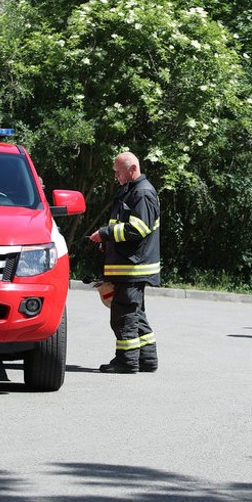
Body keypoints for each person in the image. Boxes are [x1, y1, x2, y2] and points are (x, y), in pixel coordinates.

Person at [89, 152, 160, 374]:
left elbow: (138, 229)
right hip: (129, 266)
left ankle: (126, 361)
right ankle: (147, 359)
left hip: (133, 268)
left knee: (124, 316)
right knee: (135, 313)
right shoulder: (132, 192)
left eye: (119, 172)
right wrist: (108, 241)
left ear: (132, 169)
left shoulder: (142, 193)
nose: (116, 176)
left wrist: (105, 234)